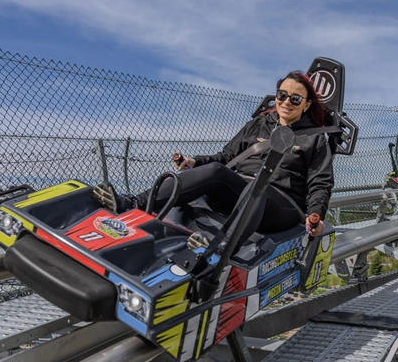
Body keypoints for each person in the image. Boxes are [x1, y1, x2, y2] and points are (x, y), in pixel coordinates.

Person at [93, 71, 334, 246]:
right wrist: (195, 162)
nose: (286, 102)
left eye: (295, 99)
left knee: (258, 187)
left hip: (279, 204)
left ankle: (220, 247)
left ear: (306, 105)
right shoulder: (259, 124)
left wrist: (316, 216)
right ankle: (133, 204)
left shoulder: (314, 139)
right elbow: (227, 156)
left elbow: (320, 183)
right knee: (217, 171)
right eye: (282, 95)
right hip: (240, 189)